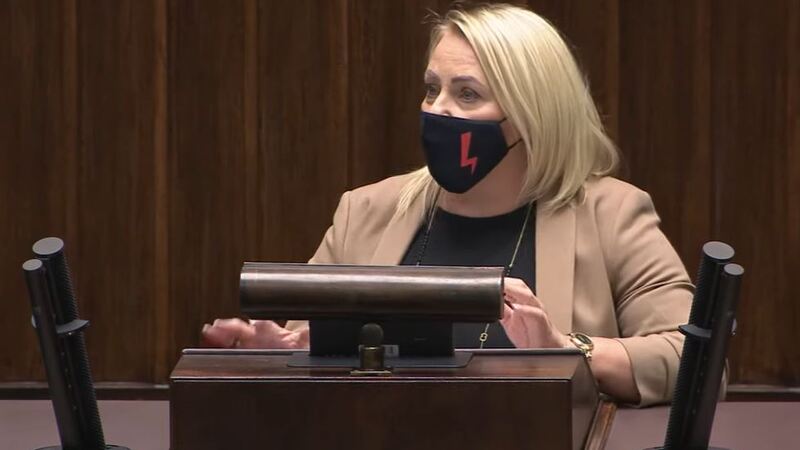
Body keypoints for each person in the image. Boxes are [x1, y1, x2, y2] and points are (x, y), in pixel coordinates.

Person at [202, 3, 692, 406]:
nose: (437, 110)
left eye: (467, 94)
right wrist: (282, 355)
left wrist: (567, 350)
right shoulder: (367, 211)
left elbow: (688, 356)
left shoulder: (610, 214)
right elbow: (307, 349)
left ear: (530, 115)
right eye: (432, 88)